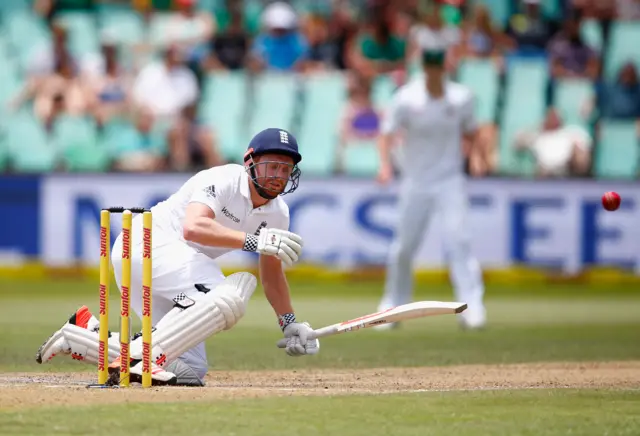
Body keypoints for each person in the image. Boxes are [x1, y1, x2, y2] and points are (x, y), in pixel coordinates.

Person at [35, 128, 320, 386]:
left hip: (178, 276)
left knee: (189, 370)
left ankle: (83, 334)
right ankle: (139, 354)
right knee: (232, 291)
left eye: (286, 169)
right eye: (272, 166)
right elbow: (193, 227)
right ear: (250, 162)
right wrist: (255, 241)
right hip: (145, 245)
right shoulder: (222, 179)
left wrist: (289, 322)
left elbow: (272, 273)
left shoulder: (278, 213)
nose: (278, 176)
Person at [375, 49, 486, 331]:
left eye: (438, 66)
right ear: (424, 67)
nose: (434, 72)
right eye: (430, 67)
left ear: (445, 67)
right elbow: (387, 134)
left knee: (459, 241)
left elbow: (471, 131)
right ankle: (392, 308)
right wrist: (385, 166)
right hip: (416, 181)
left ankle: (471, 308)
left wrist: (475, 156)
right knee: (403, 248)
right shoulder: (406, 98)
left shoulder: (461, 97)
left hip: (450, 180)